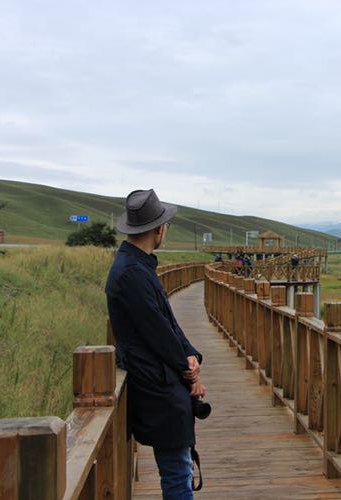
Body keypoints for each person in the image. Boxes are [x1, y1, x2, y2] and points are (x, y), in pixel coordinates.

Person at [105, 189, 205, 500]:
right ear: (158, 229)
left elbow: (167, 323)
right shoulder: (132, 274)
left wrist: (189, 353)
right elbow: (158, 331)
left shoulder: (137, 267)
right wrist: (188, 370)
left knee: (179, 469)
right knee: (177, 474)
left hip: (159, 378)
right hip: (158, 385)